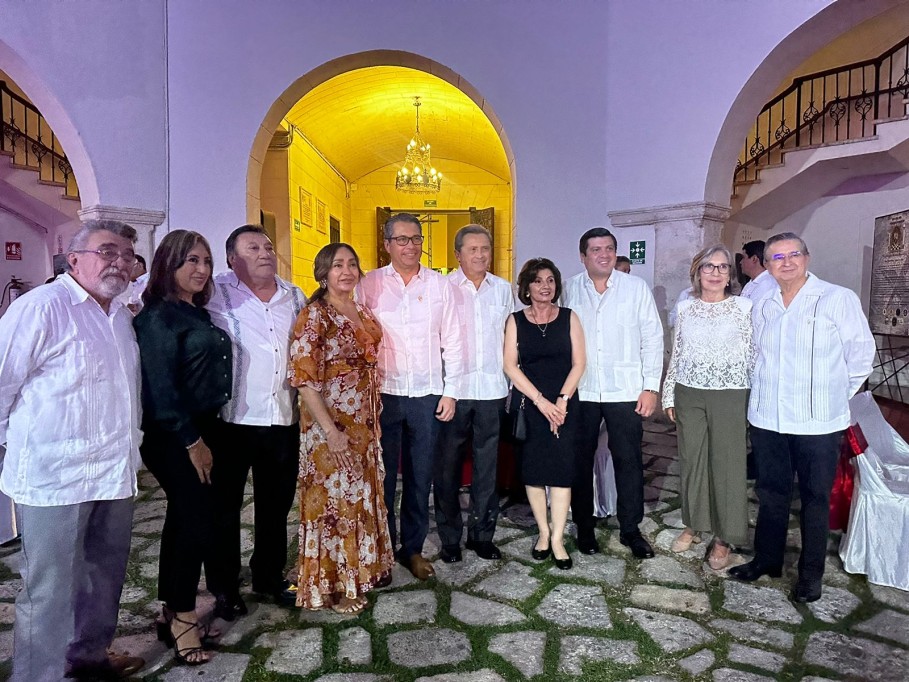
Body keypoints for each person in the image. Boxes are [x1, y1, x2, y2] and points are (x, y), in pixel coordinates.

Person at [0, 219, 144, 681]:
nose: (118, 262)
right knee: (49, 591)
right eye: (108, 252)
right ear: (74, 259)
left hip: (112, 474)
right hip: (53, 480)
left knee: (104, 577)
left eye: (126, 254)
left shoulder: (120, 316)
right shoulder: (42, 307)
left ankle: (89, 658)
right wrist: (19, 444)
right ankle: (38, 676)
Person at [729, 232, 874, 603]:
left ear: (807, 258)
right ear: (768, 265)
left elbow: (860, 357)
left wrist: (829, 398)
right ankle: (767, 559)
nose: (787, 262)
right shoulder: (762, 303)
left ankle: (811, 575)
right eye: (778, 257)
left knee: (813, 498)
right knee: (771, 493)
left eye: (794, 254)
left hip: (817, 422)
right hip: (769, 418)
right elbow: (753, 356)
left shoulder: (837, 299)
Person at [134, 230, 231, 665]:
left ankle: (170, 605)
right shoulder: (158, 318)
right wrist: (192, 440)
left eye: (206, 261)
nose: (200, 269)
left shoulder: (197, 313)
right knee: (195, 523)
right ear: (168, 264)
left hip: (206, 426)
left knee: (185, 520)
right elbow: (160, 388)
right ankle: (184, 618)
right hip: (176, 433)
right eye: (191, 260)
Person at [357, 212, 464, 581]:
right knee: (382, 477)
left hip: (426, 394)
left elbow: (452, 340)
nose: (410, 246)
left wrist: (451, 392)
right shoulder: (368, 284)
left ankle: (413, 549)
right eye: (402, 239)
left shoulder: (439, 285)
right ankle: (383, 551)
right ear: (386, 244)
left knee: (421, 477)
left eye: (416, 239)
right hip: (384, 394)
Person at [207, 225, 307, 618]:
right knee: (225, 509)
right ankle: (225, 587)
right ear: (232, 258)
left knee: (275, 506)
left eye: (268, 245)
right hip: (231, 421)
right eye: (253, 247)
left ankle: (268, 575)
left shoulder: (293, 295)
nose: (265, 252)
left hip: (282, 417)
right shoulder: (214, 293)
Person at [289, 243, 394, 612]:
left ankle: (357, 572)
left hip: (364, 423)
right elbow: (303, 379)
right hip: (329, 426)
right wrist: (331, 431)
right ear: (323, 273)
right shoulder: (315, 315)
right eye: (337, 265)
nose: (346, 271)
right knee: (333, 502)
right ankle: (330, 585)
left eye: (352, 264)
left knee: (358, 499)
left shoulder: (361, 309)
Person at [563, 227, 663, 559]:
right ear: (583, 257)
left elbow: (652, 338)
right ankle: (585, 527)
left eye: (609, 248)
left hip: (625, 389)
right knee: (579, 462)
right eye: (595, 249)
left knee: (629, 461)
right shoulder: (570, 290)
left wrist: (650, 387)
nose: (603, 254)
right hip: (584, 389)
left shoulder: (635, 289)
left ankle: (631, 529)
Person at [662, 244, 752, 570]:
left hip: (730, 392)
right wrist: (669, 394)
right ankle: (694, 524)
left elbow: (753, 355)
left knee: (727, 465)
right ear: (697, 272)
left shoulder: (744, 308)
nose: (715, 273)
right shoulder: (685, 309)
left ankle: (725, 537)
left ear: (731, 274)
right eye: (708, 267)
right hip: (689, 392)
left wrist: (753, 399)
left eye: (723, 267)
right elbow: (678, 353)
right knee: (693, 460)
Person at [435, 225, 515, 563]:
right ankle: (450, 538)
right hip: (454, 390)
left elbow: (511, 336)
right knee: (448, 468)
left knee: (487, 468)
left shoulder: (503, 290)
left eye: (485, 248)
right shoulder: (444, 289)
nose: (480, 254)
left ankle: (482, 535)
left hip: (493, 389)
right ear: (458, 255)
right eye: (472, 249)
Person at [503, 258, 585, 570]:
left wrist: (562, 401)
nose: (545, 286)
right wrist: (541, 402)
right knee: (535, 473)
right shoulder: (515, 321)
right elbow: (510, 365)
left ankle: (559, 539)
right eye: (538, 281)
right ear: (527, 287)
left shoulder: (569, 318)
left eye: (550, 280)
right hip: (532, 405)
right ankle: (542, 531)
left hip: (564, 405)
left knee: (562, 473)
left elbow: (579, 363)